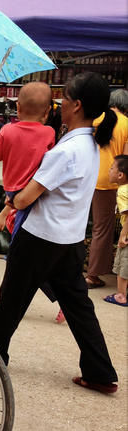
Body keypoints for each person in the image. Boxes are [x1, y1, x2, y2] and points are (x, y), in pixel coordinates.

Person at [0, 72, 118, 395]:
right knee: (78, 306)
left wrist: (11, 201)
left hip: (41, 237)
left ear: (76, 106)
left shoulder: (66, 150)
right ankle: (100, 371)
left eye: (65, 100)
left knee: (12, 299)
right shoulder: (90, 143)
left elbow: (26, 197)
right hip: (69, 239)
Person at [0, 82, 65, 324]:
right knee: (25, 257)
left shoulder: (7, 130)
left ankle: (5, 307)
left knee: (20, 259)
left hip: (19, 197)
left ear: (17, 106)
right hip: (36, 195)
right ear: (48, 111)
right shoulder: (49, 133)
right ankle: (9, 305)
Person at [85, 88, 128, 289]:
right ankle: (92, 275)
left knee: (80, 224)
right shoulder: (126, 124)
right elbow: (125, 161)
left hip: (86, 177)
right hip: (108, 181)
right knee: (102, 229)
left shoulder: (94, 119)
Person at [103, 155, 128, 306]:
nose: (109, 170)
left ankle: (121, 295)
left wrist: (123, 236)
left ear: (120, 175)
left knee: (122, 264)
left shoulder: (123, 192)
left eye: (112, 167)